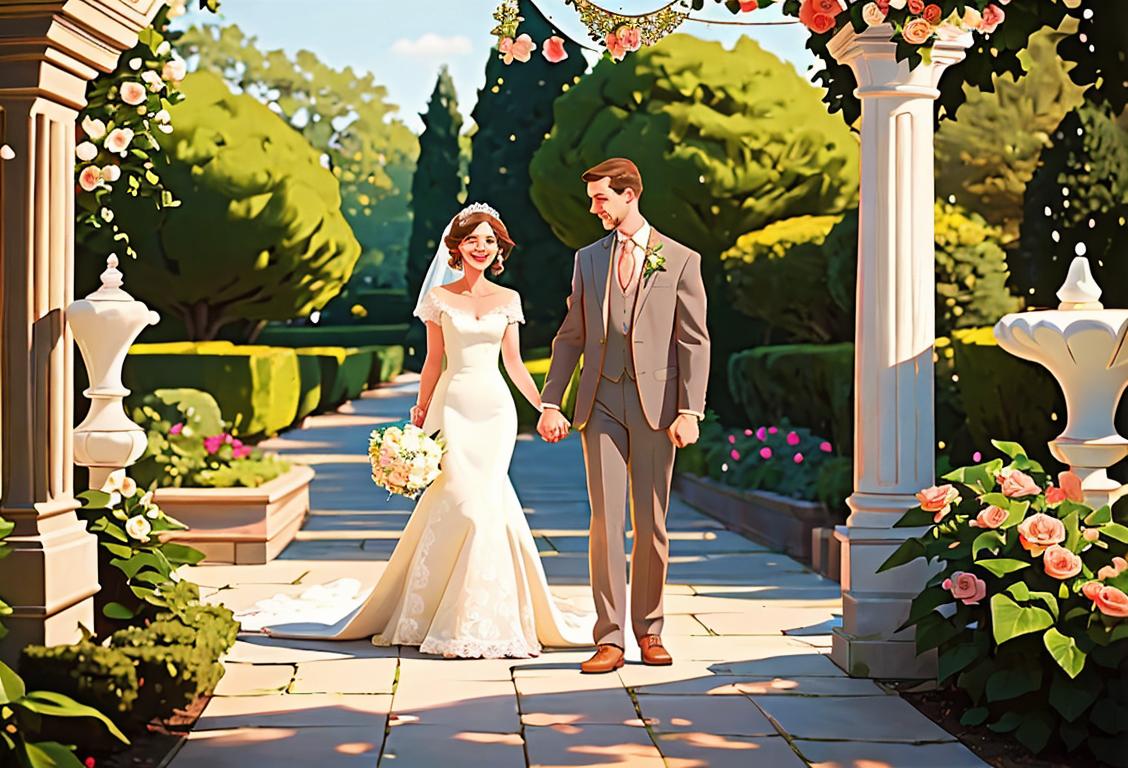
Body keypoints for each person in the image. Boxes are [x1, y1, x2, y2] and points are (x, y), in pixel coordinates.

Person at [249, 203, 592, 659]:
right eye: (473, 239)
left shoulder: (508, 300)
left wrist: (547, 406)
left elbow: (513, 364)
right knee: (461, 505)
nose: (482, 248)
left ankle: (491, 616)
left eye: (490, 240)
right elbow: (433, 361)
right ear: (457, 246)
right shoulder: (440, 300)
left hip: (495, 412)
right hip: (451, 409)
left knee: (487, 504)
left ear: (499, 249)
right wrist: (421, 411)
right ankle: (432, 613)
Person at [537, 157, 710, 673]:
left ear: (629, 195)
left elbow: (694, 341)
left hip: (659, 408)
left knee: (651, 523)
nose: (594, 208)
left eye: (601, 198)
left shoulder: (680, 259)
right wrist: (552, 400)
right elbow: (571, 335)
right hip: (602, 402)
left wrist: (691, 410)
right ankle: (609, 638)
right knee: (605, 522)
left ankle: (650, 631)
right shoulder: (587, 260)